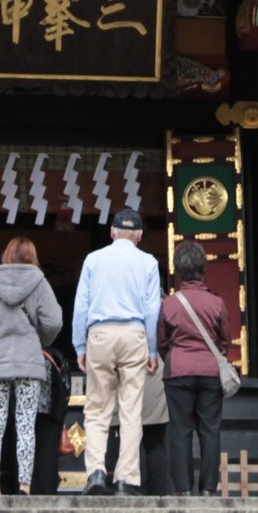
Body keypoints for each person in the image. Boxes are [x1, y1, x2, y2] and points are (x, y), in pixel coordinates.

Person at [72, 207, 162, 495]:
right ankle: (126, 478)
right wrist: (153, 350)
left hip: (100, 333)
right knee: (130, 408)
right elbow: (152, 310)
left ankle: (96, 473)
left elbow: (81, 307)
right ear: (139, 236)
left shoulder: (93, 260)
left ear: (112, 232)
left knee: (97, 408)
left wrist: (80, 345)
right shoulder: (148, 262)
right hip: (134, 333)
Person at [0, 237, 64, 496]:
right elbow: (54, 320)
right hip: (29, 362)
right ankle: (24, 485)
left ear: (6, 254)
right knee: (25, 424)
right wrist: (39, 340)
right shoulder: (39, 283)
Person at [158, 240, 231, 495]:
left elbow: (161, 342)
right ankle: (209, 488)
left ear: (178, 270)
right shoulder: (217, 303)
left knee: (180, 430)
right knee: (210, 430)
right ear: (204, 269)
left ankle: (183, 489)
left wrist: (175, 356)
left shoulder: (169, 304)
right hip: (210, 372)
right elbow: (225, 341)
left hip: (178, 370)